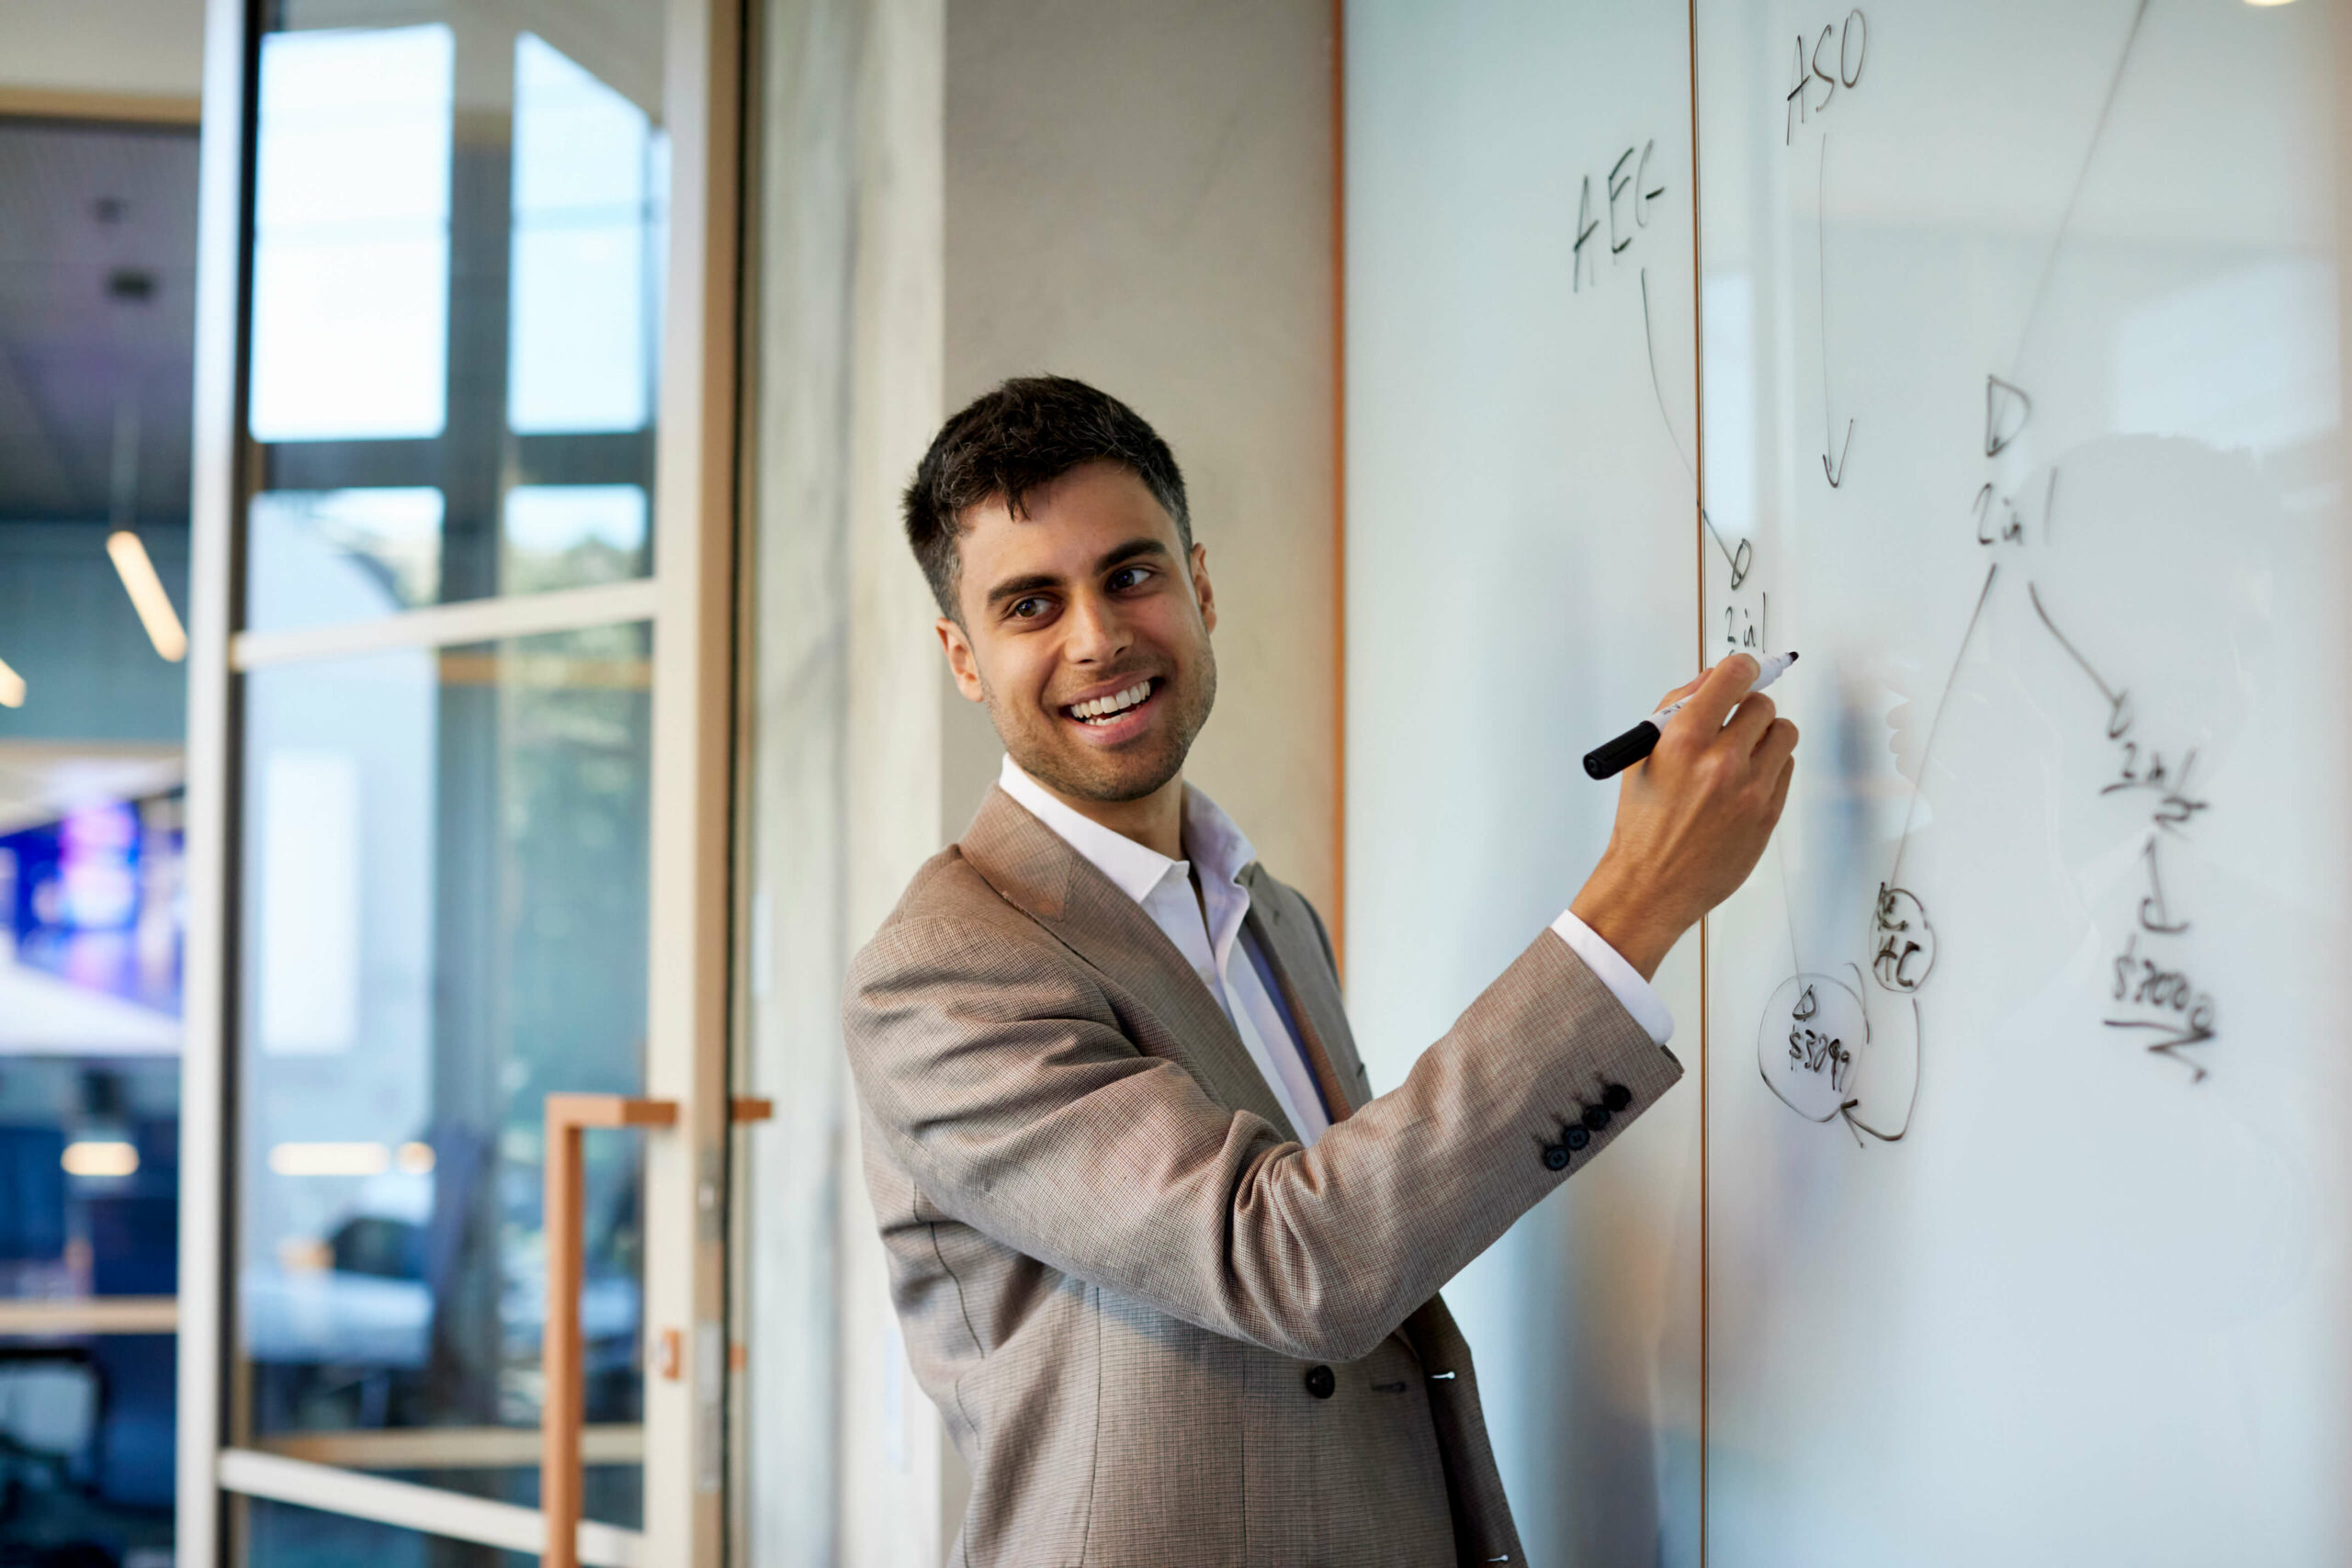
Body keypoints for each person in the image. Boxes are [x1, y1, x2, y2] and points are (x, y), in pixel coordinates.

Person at [842, 376, 1797, 1565]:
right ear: (964, 658)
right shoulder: (940, 975)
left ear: (1198, 586)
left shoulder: (1271, 915)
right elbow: (1294, 1263)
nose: (1097, 637)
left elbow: (1378, 1246)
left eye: (1130, 575)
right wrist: (1639, 901)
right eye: (1032, 605)